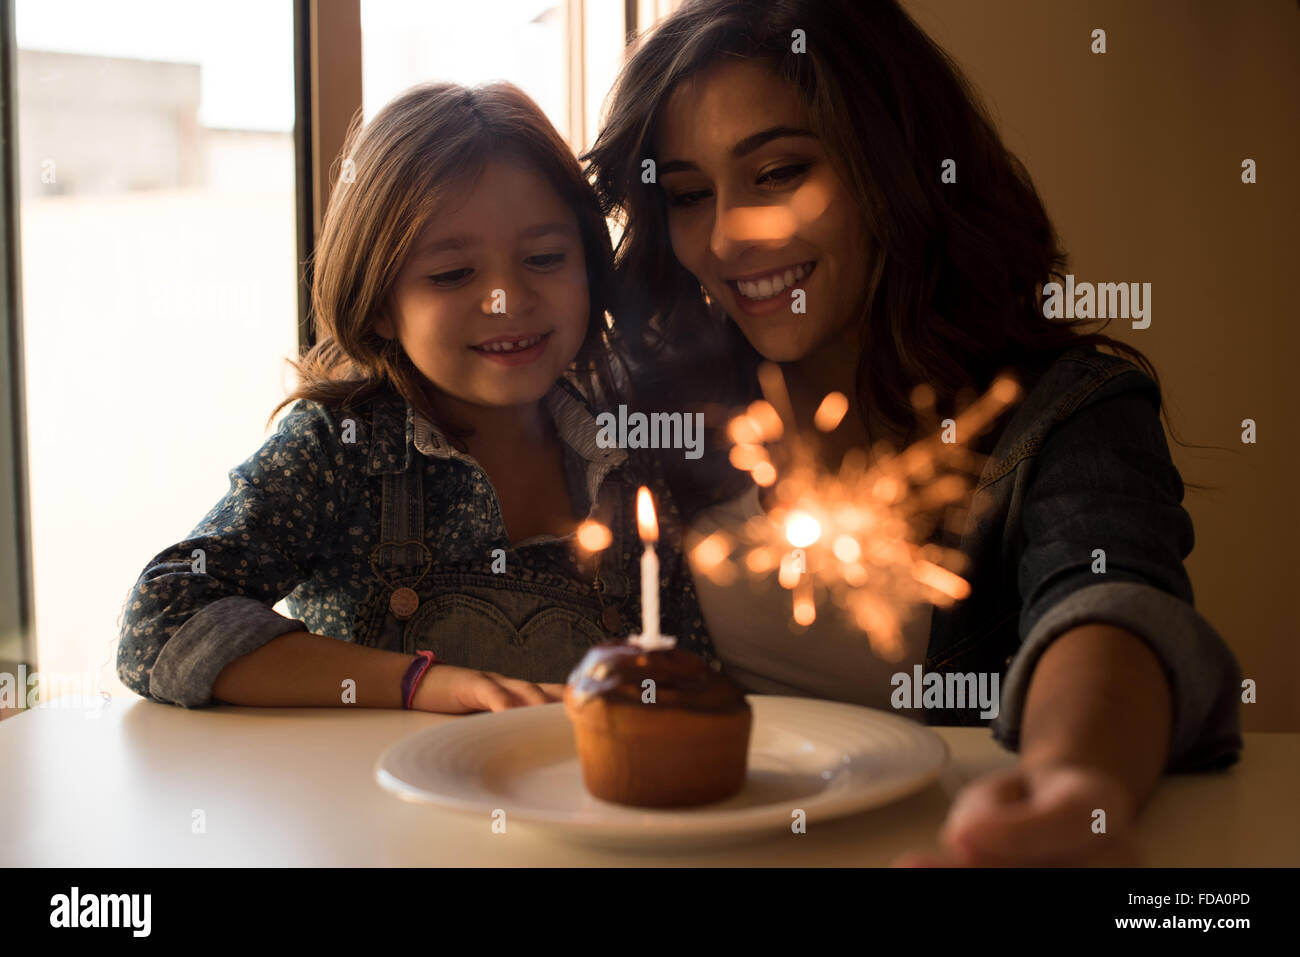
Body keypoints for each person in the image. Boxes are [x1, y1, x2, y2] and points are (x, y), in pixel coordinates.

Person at [583, 0, 1242, 865]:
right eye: (688, 195)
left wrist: (1072, 783)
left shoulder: (1059, 411)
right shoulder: (644, 408)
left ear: (892, 166)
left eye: (779, 172)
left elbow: (1110, 604)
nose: (731, 234)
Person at [116, 82, 715, 715]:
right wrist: (421, 684)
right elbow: (161, 620)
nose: (506, 299)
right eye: (452, 274)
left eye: (543, 257)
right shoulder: (338, 448)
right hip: (378, 812)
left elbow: (693, 682)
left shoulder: (631, 457)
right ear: (377, 305)